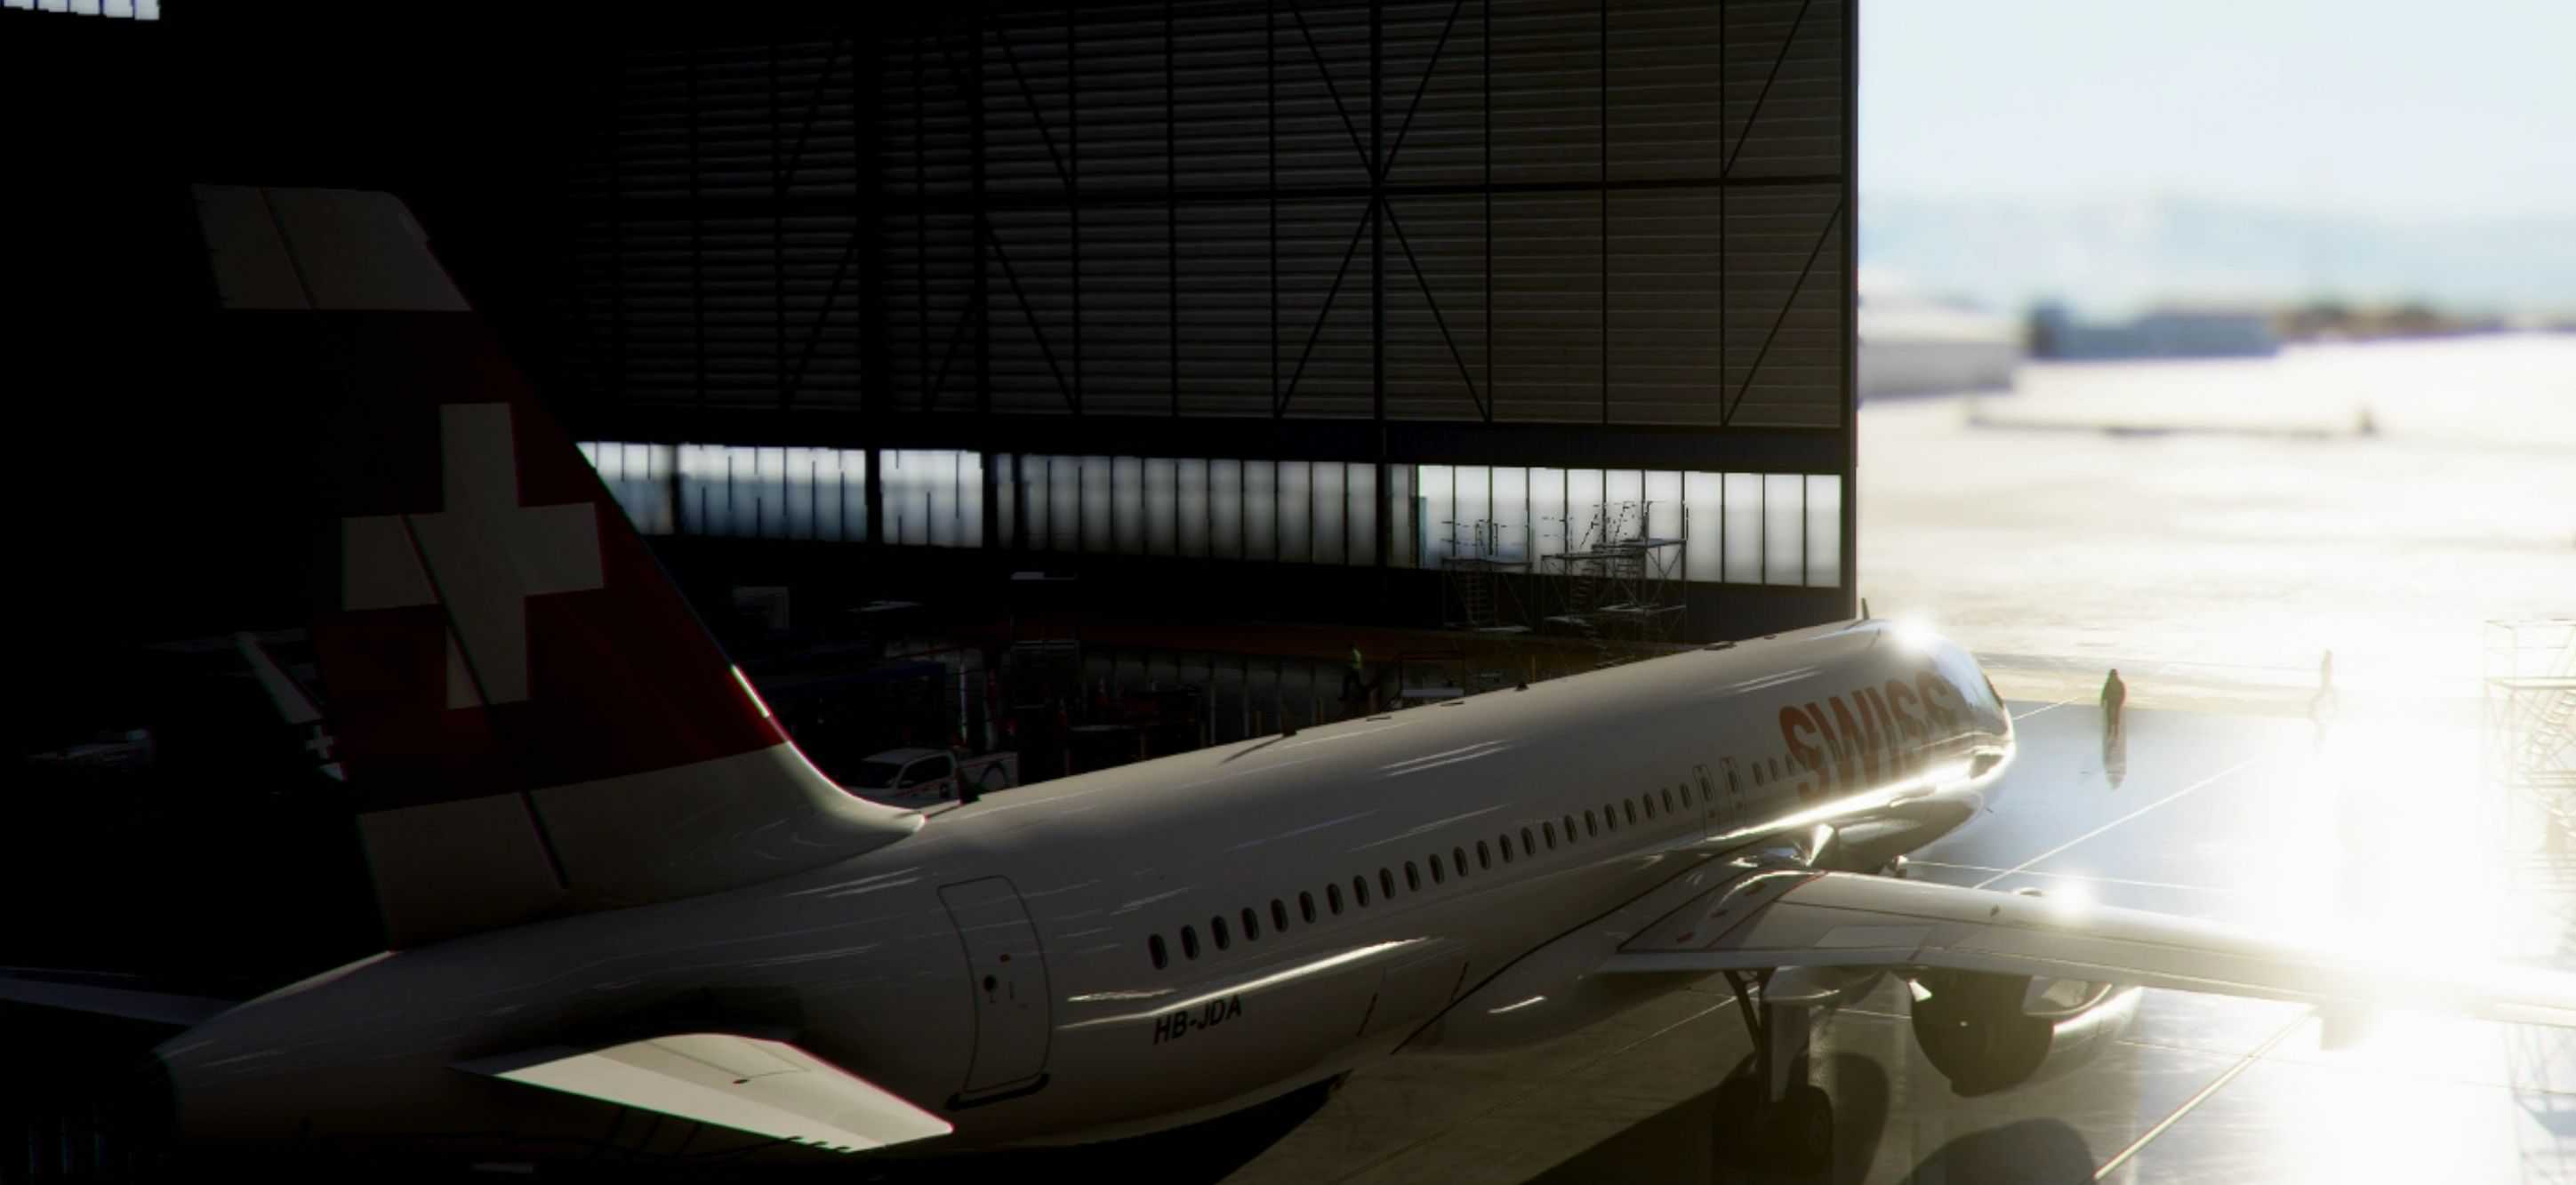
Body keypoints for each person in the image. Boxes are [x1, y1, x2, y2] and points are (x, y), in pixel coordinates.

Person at [2099, 668, 2127, 743]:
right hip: (2116, 702)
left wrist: (2102, 701)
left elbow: (2104, 693)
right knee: (2116, 718)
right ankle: (2115, 734)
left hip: (2111, 702)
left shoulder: (2109, 683)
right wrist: (2121, 702)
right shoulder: (2119, 683)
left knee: (2109, 718)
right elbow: (2123, 693)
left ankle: (2110, 733)